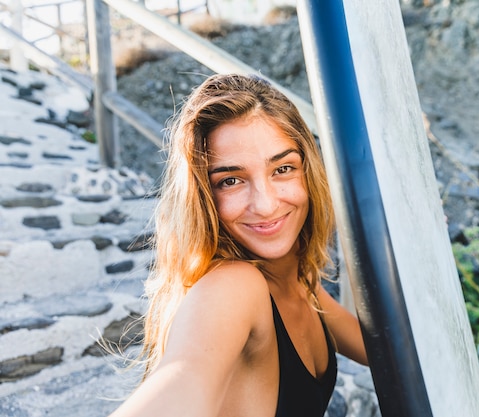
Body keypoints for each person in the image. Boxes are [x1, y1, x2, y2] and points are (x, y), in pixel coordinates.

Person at [109, 73, 368, 417]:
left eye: (283, 169)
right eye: (230, 180)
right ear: (204, 197)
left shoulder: (300, 282)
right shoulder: (233, 287)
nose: (264, 204)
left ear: (309, 172)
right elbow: (182, 379)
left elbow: (385, 350)